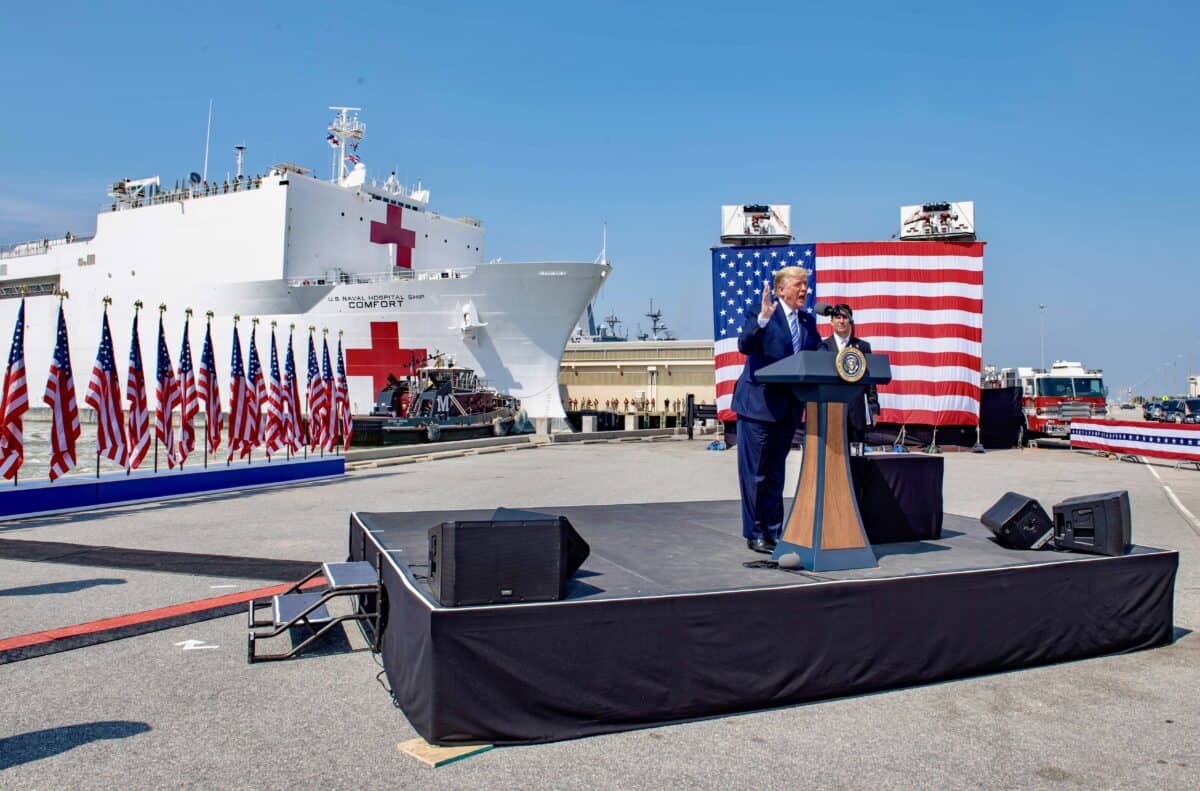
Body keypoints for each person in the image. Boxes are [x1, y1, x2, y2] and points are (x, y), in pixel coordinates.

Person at [732, 266, 819, 554]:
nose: (804, 290)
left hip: (787, 409)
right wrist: (762, 320)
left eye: (805, 285)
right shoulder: (762, 312)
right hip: (758, 407)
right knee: (756, 475)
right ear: (781, 289)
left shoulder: (807, 321)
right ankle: (755, 532)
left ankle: (774, 532)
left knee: (776, 474)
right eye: (798, 284)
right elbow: (745, 344)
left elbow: (818, 353)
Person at [818, 303, 879, 450]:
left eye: (845, 317)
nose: (841, 321)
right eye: (837, 317)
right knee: (832, 454)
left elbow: (870, 381)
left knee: (856, 455)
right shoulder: (823, 347)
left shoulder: (863, 347)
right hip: (831, 410)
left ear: (850, 320)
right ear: (831, 321)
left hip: (855, 411)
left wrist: (873, 406)